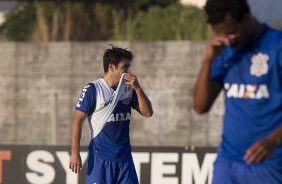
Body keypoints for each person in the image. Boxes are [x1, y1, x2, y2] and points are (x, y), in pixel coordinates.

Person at [193, 0, 282, 183]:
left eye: (232, 33)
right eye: (221, 36)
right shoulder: (224, 50)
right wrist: (207, 61)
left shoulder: (277, 46)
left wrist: (274, 140)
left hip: (271, 164)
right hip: (228, 163)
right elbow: (200, 106)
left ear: (247, 17)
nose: (228, 40)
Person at [69, 45, 153, 184]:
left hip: (124, 159)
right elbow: (77, 120)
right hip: (100, 160)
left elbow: (148, 113)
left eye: (129, 67)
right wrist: (74, 152)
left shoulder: (128, 88)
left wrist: (137, 88)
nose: (128, 71)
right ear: (111, 67)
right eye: (124, 67)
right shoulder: (93, 89)